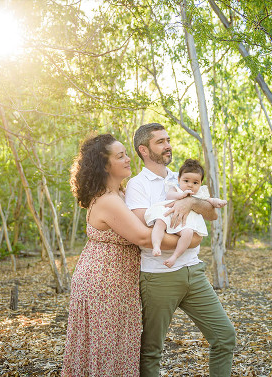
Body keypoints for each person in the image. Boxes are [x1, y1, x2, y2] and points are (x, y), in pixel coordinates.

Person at [124, 122, 236, 377]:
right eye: (160, 141)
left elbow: (211, 214)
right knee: (151, 351)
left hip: (193, 272)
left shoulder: (181, 177)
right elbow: (143, 233)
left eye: (168, 140)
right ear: (144, 150)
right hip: (158, 276)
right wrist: (192, 241)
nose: (168, 145)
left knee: (225, 336)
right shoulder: (137, 185)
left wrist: (191, 202)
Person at [62, 134, 159, 377]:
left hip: (116, 284)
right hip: (103, 285)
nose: (128, 159)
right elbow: (144, 237)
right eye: (121, 156)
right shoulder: (107, 200)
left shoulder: (120, 194)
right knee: (107, 352)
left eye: (126, 154)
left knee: (115, 350)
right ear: (105, 165)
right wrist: (187, 241)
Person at [145, 158, 228, 268]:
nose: (190, 185)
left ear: (200, 183)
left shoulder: (199, 193)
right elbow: (170, 196)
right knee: (159, 223)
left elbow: (210, 200)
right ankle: (156, 245)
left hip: (184, 223)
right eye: (186, 181)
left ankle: (175, 256)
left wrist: (218, 202)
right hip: (169, 215)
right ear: (179, 179)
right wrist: (182, 196)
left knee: (188, 233)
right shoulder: (175, 188)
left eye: (195, 182)